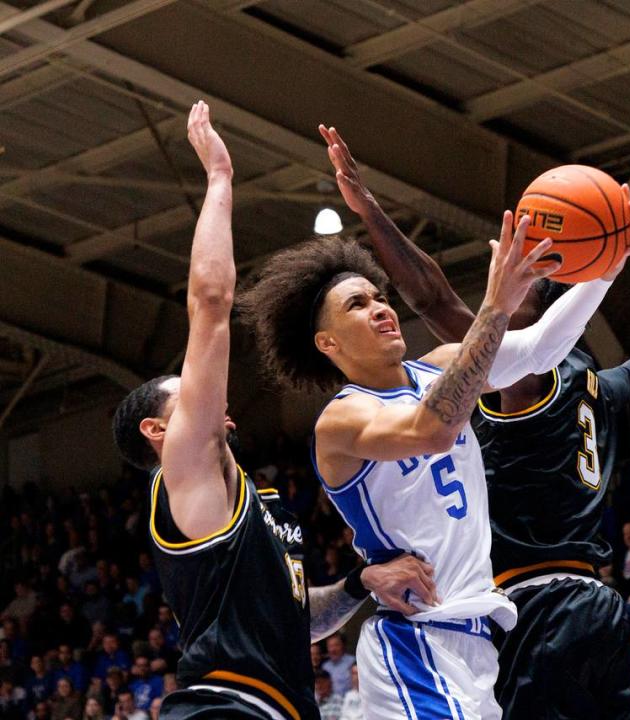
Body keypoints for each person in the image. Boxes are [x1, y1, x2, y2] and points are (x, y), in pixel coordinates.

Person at [315, 125, 630, 718]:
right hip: (509, 610)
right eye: (360, 303)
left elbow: (488, 325)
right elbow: (621, 371)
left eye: (538, 275)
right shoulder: (572, 377)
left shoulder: (529, 369)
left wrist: (608, 268)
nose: (525, 274)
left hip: (520, 610)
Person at [111, 102, 435, 720]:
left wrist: (357, 584)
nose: (207, 392)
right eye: (183, 390)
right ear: (159, 431)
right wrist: (219, 179)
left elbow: (294, 621)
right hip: (223, 706)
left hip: (279, 707)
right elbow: (210, 300)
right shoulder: (188, 472)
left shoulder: (258, 506)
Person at [320, 632, 354, 698]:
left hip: (348, 702)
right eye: (330, 646)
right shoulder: (325, 667)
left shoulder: (352, 662)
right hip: (330, 703)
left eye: (336, 645)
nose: (333, 649)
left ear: (343, 646)